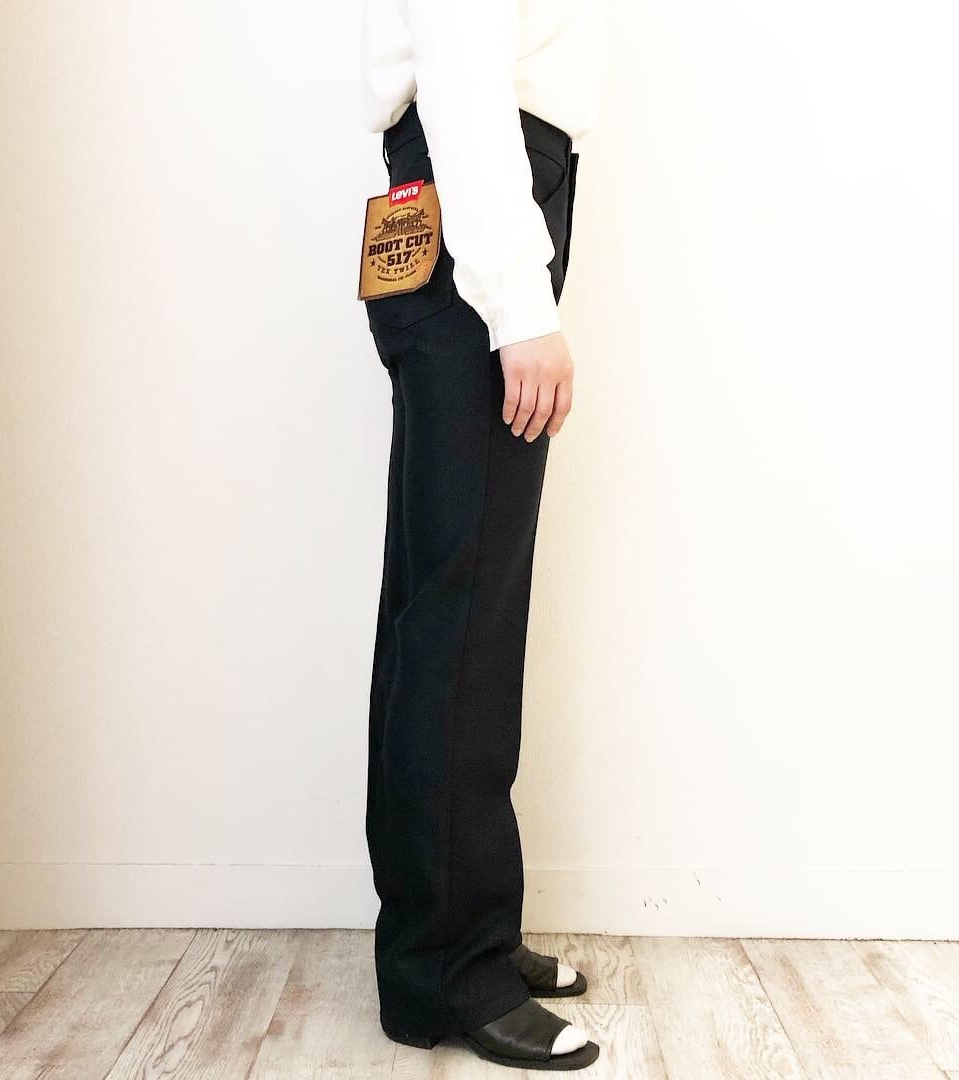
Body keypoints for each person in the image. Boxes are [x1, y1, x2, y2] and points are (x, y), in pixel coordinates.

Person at [359, 0, 602, 1070]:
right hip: (479, 196)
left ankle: (453, 939)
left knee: (443, 608)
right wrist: (520, 306)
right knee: (461, 618)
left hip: (461, 191)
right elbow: (462, 66)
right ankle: (452, 965)